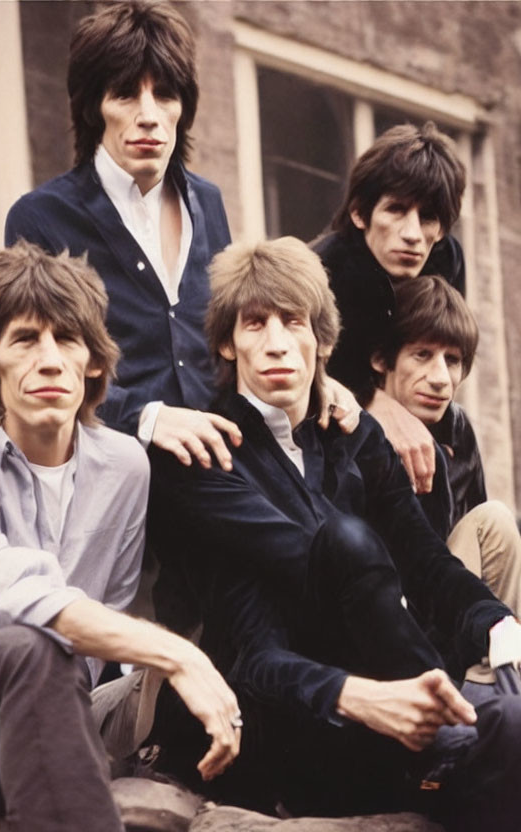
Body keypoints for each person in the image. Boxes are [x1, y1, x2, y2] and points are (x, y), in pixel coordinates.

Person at [147, 237, 521, 830]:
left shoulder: (355, 437)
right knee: (345, 541)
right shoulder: (204, 457)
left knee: (510, 724)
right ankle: (446, 727)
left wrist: (497, 623)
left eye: (292, 321)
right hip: (279, 717)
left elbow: (425, 559)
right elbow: (255, 655)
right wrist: (374, 697)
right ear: (226, 342)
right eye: (254, 324)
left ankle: (452, 723)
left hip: (387, 694)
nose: (275, 343)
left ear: (321, 340)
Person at [0, 242, 241, 832]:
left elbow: (104, 629)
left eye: (67, 341)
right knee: (30, 644)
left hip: (69, 708)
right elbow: (11, 594)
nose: (49, 360)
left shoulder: (125, 465)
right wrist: (176, 654)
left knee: (234, 654)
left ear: (95, 363)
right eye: (25, 339)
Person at [6, 0, 354, 475]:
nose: (148, 115)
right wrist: (148, 418)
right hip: (116, 465)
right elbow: (34, 369)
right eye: (125, 95)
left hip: (224, 456)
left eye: (165, 95)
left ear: (183, 108)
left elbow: (237, 333)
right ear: (94, 108)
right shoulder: (42, 218)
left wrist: (312, 381)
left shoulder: (207, 202)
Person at [313, 121, 466, 494]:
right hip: (329, 435)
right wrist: (376, 404)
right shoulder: (322, 271)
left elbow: (449, 348)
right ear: (360, 215)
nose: (413, 234)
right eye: (396, 210)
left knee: (460, 431)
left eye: (428, 217)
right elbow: (303, 376)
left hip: (411, 411)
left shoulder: (445, 260)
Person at [370, 274, 521, 619]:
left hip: (447, 606)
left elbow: (481, 545)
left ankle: (492, 669)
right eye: (422, 355)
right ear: (381, 359)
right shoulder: (351, 426)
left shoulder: (458, 429)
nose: (440, 378)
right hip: (376, 620)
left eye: (452, 361)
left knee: (495, 521)